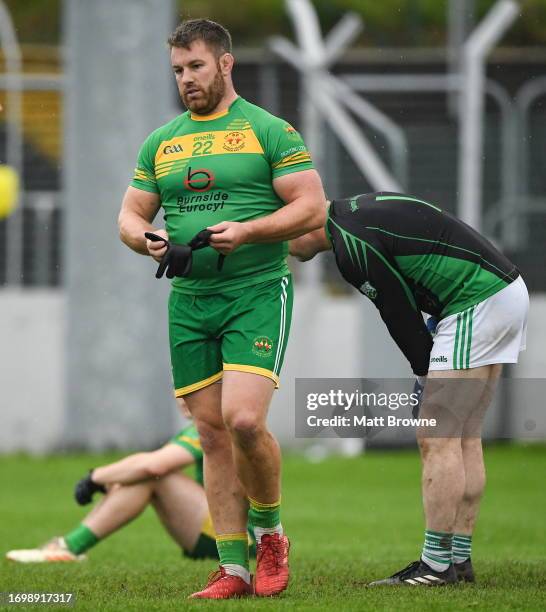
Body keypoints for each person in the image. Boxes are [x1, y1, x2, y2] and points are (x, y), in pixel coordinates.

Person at [117, 18, 327, 599]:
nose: (186, 79)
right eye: (178, 70)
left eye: (196, 67)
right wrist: (146, 239)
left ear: (226, 63)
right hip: (189, 301)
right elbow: (129, 216)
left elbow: (312, 208)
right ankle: (233, 568)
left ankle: (272, 536)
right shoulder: (163, 140)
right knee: (210, 434)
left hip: (257, 291)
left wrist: (251, 231)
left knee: (242, 420)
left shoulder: (269, 130)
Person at [290, 191, 529, 586]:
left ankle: (436, 567)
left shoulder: (349, 242)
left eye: (279, 231)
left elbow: (398, 311)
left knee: (437, 436)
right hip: (498, 291)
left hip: (476, 299)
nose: (278, 242)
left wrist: (422, 377)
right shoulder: (356, 210)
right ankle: (458, 561)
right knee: (464, 435)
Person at [5, 422, 254, 563]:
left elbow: (153, 466)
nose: (181, 394)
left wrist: (95, 477)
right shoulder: (214, 422)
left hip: (241, 539)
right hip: (230, 534)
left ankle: (69, 546)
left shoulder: (213, 424)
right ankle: (66, 547)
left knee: (156, 477)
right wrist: (112, 481)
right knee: (146, 477)